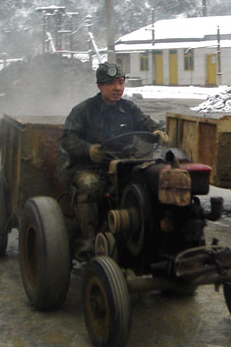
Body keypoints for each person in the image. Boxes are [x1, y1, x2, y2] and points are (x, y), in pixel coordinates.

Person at [59, 62, 169, 257]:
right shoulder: (84, 110)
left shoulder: (129, 108)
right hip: (90, 167)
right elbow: (67, 139)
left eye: (120, 82)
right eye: (110, 83)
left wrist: (156, 130)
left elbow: (145, 122)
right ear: (99, 86)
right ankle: (88, 242)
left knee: (151, 184)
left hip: (122, 165)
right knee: (89, 186)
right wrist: (88, 149)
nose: (117, 88)